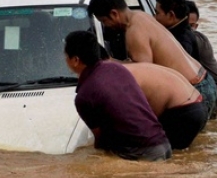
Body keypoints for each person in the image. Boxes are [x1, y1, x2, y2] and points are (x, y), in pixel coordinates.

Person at [88, 0, 217, 120]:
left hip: (193, 90)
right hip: (205, 80)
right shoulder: (141, 16)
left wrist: (109, 62)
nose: (106, 25)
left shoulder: (134, 32)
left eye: (104, 21)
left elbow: (144, 73)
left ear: (114, 13)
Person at [64, 30, 172, 161]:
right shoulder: (117, 68)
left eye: (66, 56)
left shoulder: (84, 96)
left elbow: (101, 139)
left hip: (141, 153)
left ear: (75, 60)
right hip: (163, 143)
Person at [121, 61, 208, 150]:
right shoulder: (131, 68)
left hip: (184, 112)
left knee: (160, 155)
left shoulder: (119, 78)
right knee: (180, 155)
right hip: (199, 102)